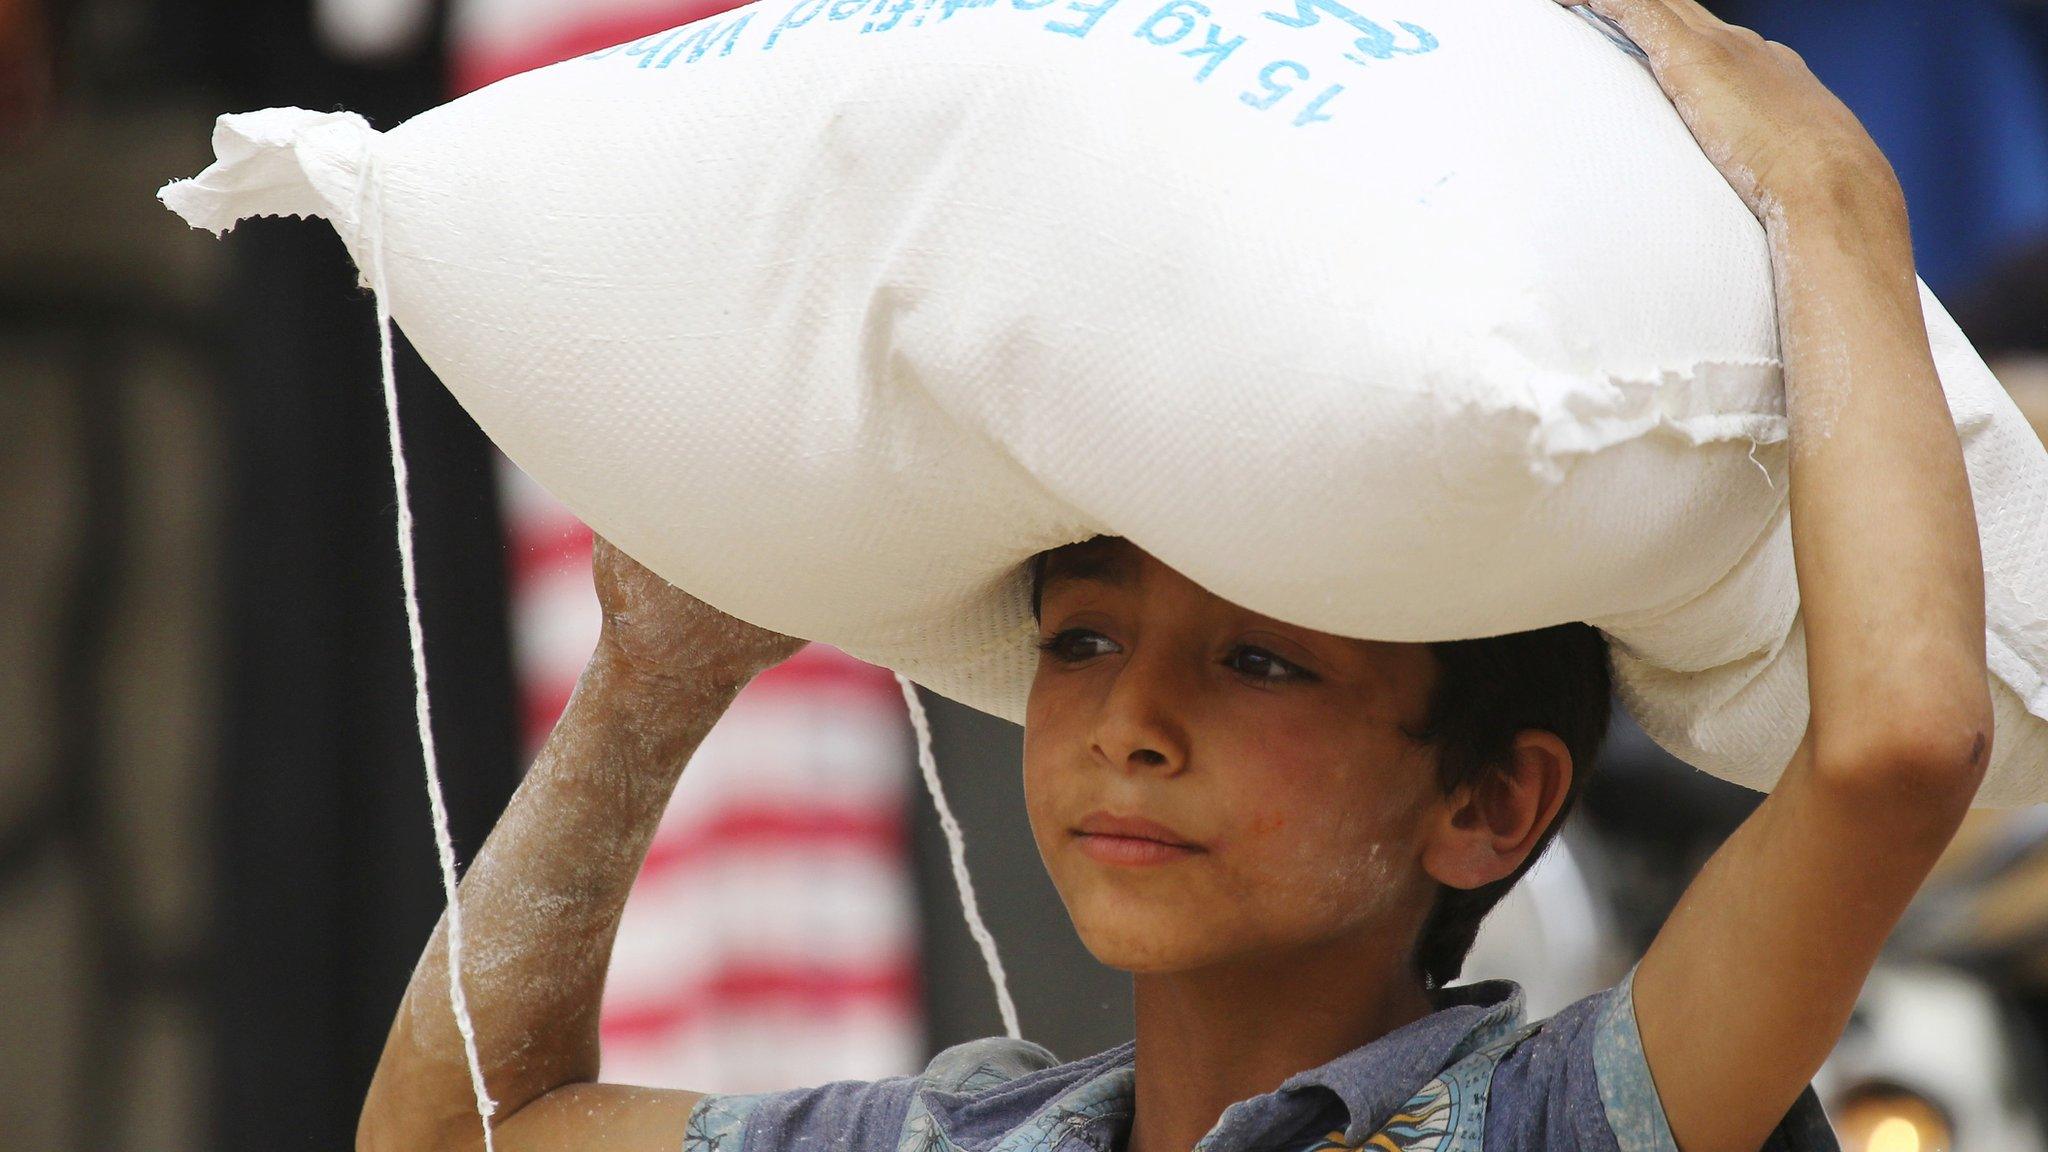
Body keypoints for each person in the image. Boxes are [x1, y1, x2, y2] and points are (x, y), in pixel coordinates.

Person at [355, 1, 1994, 1149]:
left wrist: (1828, 196)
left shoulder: (1552, 1118)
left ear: (1490, 806)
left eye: (1261, 663)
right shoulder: (971, 1137)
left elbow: (1898, 751)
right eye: (1078, 640)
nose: (1128, 722)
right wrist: (651, 688)